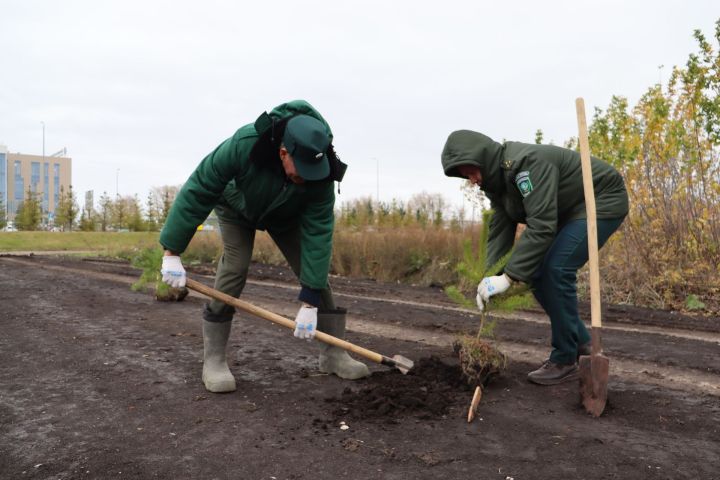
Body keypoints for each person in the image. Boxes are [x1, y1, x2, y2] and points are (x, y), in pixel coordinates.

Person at [159, 100, 370, 393]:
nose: (307, 177)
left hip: (285, 215)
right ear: (284, 152)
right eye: (302, 170)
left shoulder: (323, 171)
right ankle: (214, 360)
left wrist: (309, 302)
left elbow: (318, 235)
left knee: (316, 279)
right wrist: (172, 251)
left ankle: (333, 355)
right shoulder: (245, 144)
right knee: (235, 267)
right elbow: (201, 186)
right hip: (236, 207)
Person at [441, 130, 628, 385]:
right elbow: (500, 228)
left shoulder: (527, 165)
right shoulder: (498, 185)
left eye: (471, 171)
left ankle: (565, 357)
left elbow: (541, 225)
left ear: (482, 158)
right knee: (536, 273)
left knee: (557, 269)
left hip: (600, 200)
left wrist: (509, 276)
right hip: (568, 211)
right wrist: (490, 277)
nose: (472, 180)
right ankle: (581, 343)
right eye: (465, 176)